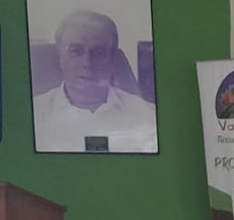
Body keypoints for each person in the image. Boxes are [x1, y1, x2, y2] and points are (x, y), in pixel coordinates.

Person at [32, 10, 157, 153]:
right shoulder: (34, 115)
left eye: (98, 53)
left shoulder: (148, 115)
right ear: (60, 57)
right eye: (76, 51)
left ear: (112, 60)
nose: (87, 63)